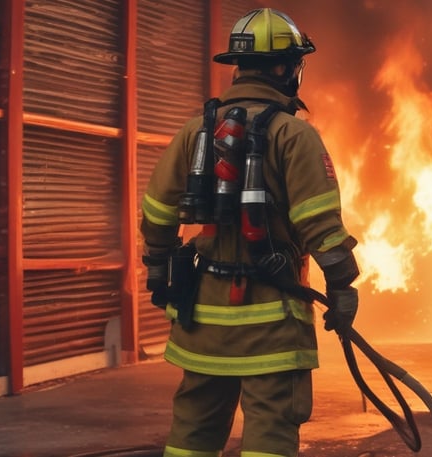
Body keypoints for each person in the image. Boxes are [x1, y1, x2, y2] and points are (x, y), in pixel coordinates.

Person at [140, 8, 360, 457]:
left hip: (202, 320)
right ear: (286, 68)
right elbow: (321, 228)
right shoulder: (294, 135)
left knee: (193, 433)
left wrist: (158, 270)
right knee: (271, 430)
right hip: (271, 323)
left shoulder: (194, 133)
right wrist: (342, 288)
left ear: (238, 68)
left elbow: (158, 214)